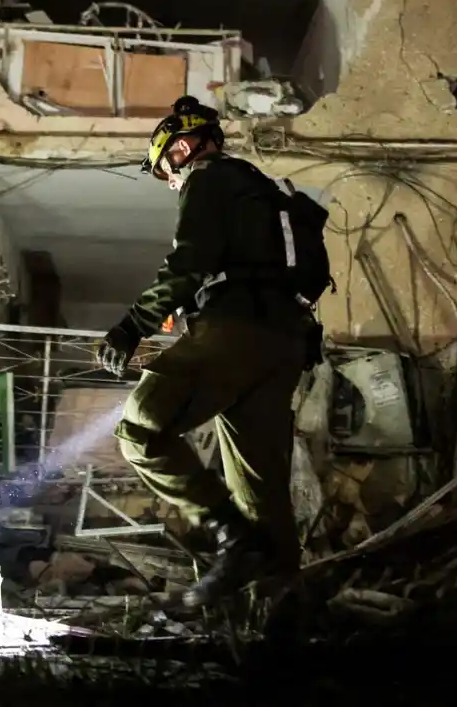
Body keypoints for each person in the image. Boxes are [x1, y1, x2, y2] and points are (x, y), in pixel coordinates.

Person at [97, 96, 328, 608]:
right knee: (261, 491)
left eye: (167, 173)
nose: (172, 183)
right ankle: (281, 617)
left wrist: (131, 327)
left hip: (234, 332)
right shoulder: (261, 193)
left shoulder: (209, 176)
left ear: (182, 148)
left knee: (140, 427)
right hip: (284, 344)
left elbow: (189, 262)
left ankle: (232, 539)